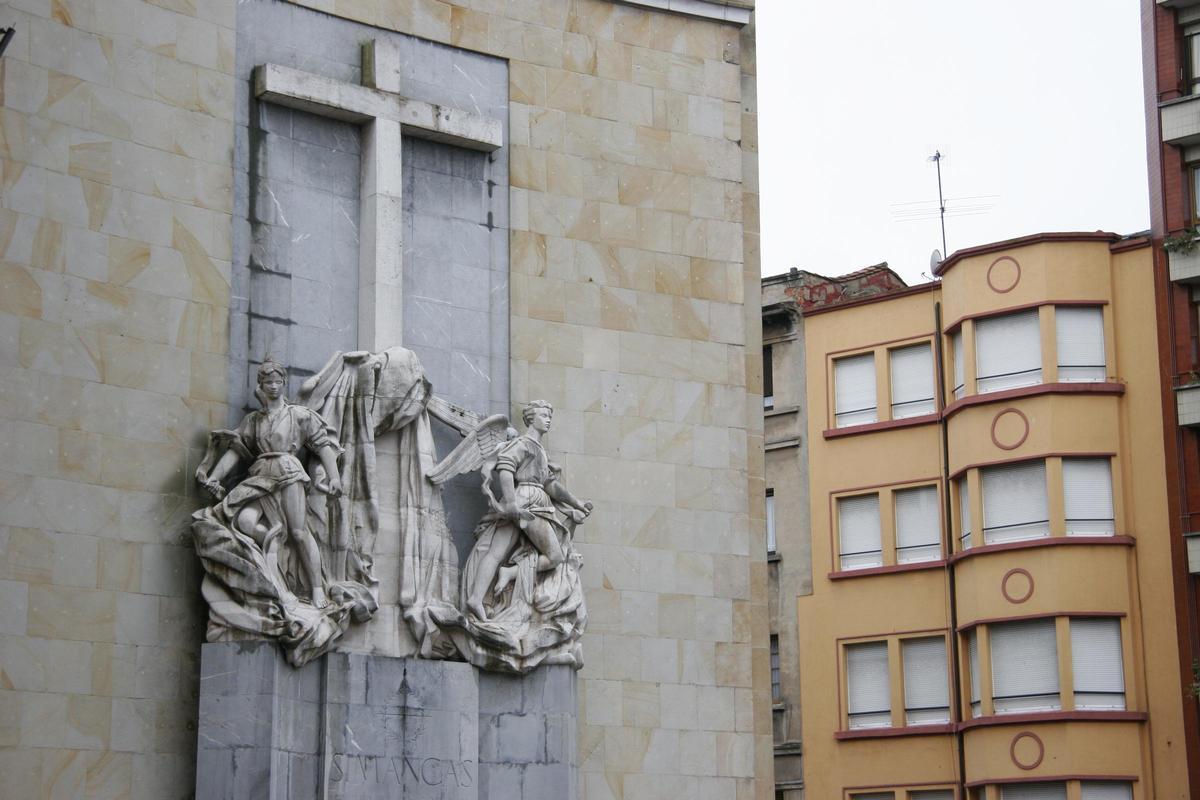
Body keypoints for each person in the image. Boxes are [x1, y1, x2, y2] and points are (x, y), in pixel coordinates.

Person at [199, 360, 343, 608]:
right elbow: (235, 452)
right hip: (260, 475)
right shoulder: (253, 421)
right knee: (245, 521)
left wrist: (335, 477)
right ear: (261, 386)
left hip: (289, 472)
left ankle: (317, 589)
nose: (273, 387)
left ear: (284, 383)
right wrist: (214, 477)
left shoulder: (299, 415)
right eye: (268, 383)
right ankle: (277, 559)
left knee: (299, 532)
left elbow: (323, 446)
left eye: (277, 382)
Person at [464, 400, 591, 620]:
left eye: (550, 416)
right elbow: (505, 467)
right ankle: (510, 573)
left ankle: (476, 598)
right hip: (530, 502)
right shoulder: (524, 443)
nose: (548, 420)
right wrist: (512, 503)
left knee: (496, 552)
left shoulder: (538, 449)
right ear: (531, 418)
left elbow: (550, 485)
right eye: (544, 415)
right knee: (555, 556)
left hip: (525, 500)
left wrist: (577, 504)